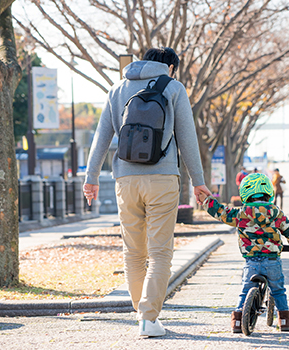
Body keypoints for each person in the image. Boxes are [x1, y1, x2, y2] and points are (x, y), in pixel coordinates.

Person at [83, 47, 211, 337]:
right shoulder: (174, 87)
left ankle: (142, 314)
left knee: (133, 253)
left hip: (125, 180)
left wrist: (91, 178)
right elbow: (187, 137)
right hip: (163, 178)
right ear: (171, 67)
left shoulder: (117, 89)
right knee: (160, 252)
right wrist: (198, 180)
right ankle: (148, 318)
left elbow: (101, 136)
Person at [198, 173, 289, 333]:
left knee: (245, 289)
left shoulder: (240, 213)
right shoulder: (275, 212)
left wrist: (206, 200)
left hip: (251, 262)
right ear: (269, 192)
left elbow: (220, 212)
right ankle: (284, 320)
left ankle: (238, 322)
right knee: (278, 290)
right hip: (272, 261)